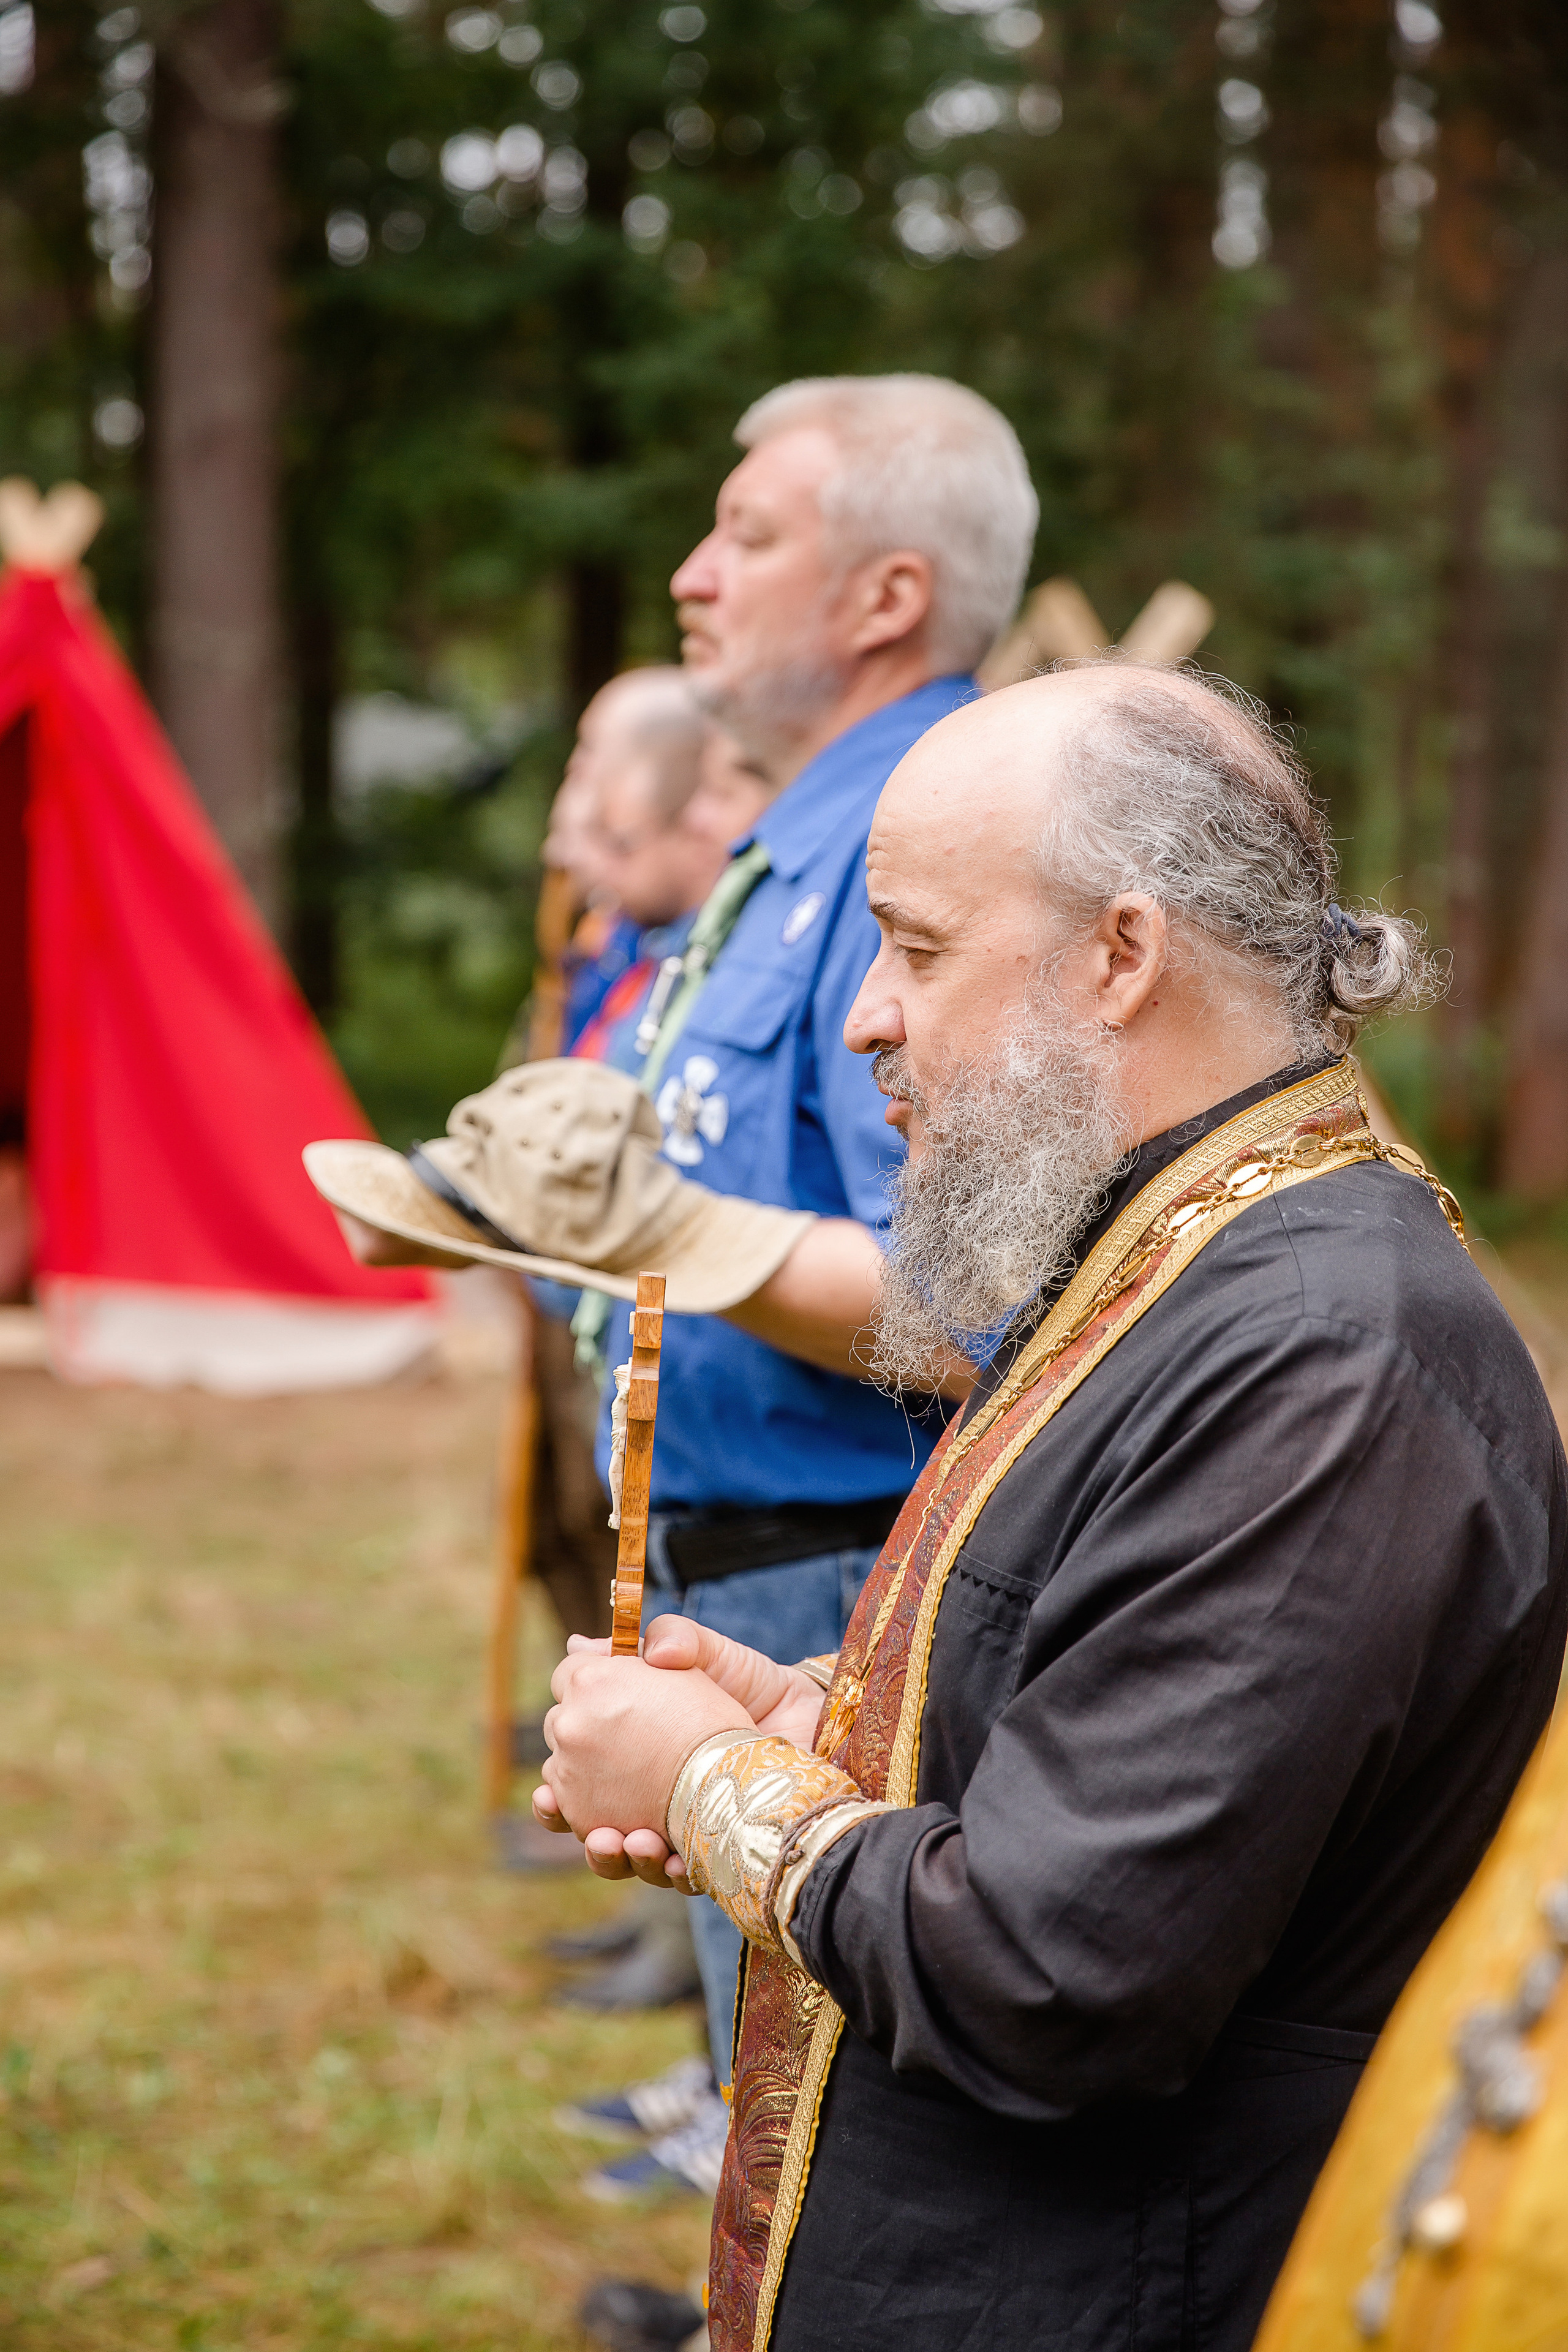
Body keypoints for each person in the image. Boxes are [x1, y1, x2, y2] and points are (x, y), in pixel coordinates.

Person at [534, 660, 1568, 2352]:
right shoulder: (1185, 1257)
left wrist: (711, 1784)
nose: (868, 1013)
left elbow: (1058, 1974)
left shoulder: (1324, 1353)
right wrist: (815, 1724)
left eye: (919, 948)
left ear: (1123, 955)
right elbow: (1105, 1759)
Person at [344, 377, 1041, 2142]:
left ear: (886, 596)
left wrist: (672, 1236)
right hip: (757, 1577)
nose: (690, 573)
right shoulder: (809, 835)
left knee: (834, 2153)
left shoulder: (931, 839)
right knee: (771, 2122)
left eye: (749, 533)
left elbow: (983, 1314)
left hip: (841, 1583)